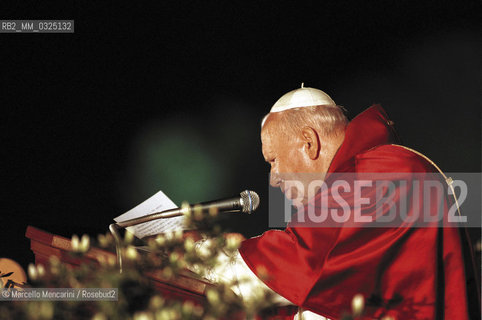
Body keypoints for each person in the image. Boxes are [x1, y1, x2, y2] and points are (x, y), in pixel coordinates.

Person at [205, 86, 479, 319]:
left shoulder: (381, 171)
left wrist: (194, 254)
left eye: (274, 160)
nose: (274, 179)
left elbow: (301, 262)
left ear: (309, 143)